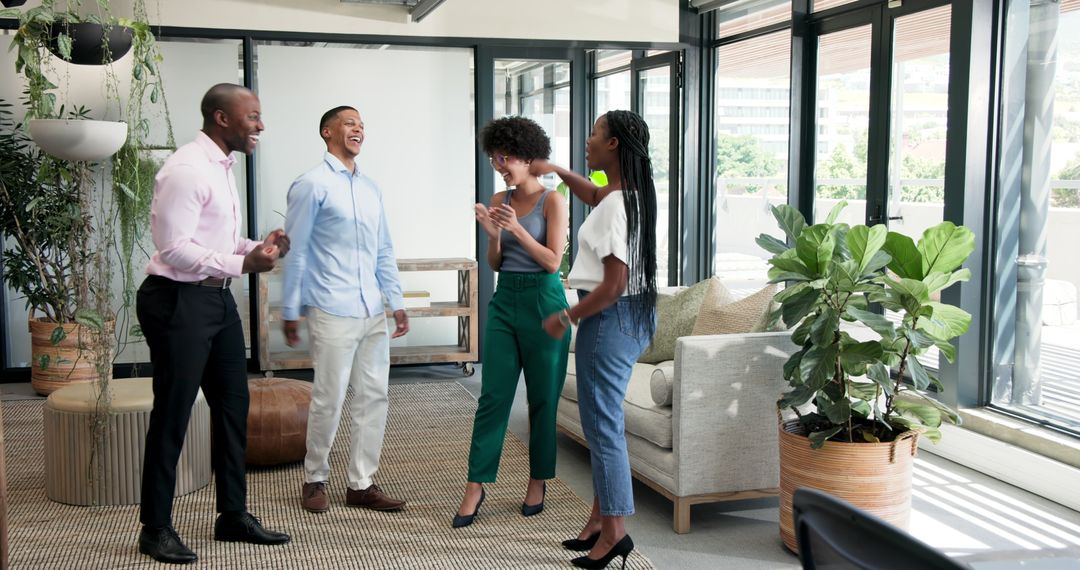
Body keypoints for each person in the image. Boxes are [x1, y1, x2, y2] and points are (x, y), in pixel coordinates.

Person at [136, 83, 291, 565]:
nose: (260, 125)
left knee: (232, 406)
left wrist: (254, 247)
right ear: (222, 118)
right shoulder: (185, 169)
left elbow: (217, 237)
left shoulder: (220, 167)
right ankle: (155, 527)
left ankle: (232, 516)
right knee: (174, 411)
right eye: (253, 116)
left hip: (216, 300)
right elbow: (174, 248)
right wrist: (243, 265)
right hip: (177, 301)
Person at [534, 110, 658, 569]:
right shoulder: (633, 195)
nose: (587, 141)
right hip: (633, 318)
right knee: (605, 423)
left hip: (608, 317)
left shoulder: (615, 207)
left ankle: (616, 535)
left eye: (593, 134)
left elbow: (612, 284)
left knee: (602, 428)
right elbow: (592, 191)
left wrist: (565, 317)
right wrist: (559, 171)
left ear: (613, 145)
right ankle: (597, 520)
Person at [281, 105, 409, 515]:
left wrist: (397, 301)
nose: (359, 130)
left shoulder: (371, 189)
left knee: (375, 396)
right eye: (350, 123)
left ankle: (361, 482)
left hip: (372, 308)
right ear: (327, 131)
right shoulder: (310, 185)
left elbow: (384, 250)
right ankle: (315, 478)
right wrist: (290, 307)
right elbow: (295, 250)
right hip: (330, 307)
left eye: (362, 125)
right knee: (328, 397)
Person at [452, 117, 571, 528]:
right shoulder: (499, 197)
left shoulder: (553, 201)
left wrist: (516, 228)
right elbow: (496, 263)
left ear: (528, 156)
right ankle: (476, 484)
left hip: (545, 302)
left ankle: (538, 480)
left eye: (504, 157)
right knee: (493, 396)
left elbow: (554, 261)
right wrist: (492, 235)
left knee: (542, 399)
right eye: (494, 158)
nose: (499, 165)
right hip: (505, 300)